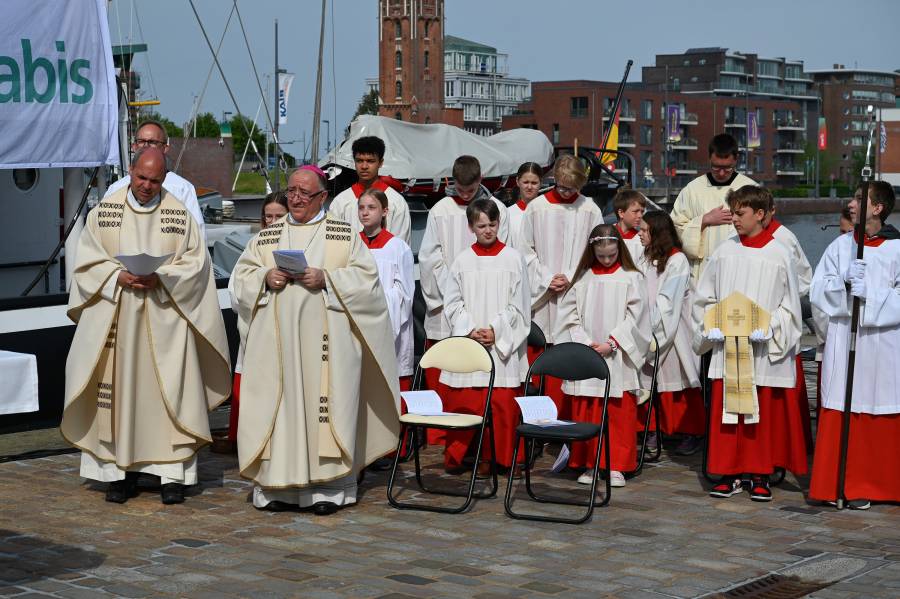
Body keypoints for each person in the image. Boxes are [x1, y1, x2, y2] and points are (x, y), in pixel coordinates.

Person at [61, 148, 231, 505]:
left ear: (164, 179)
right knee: (120, 395)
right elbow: (85, 263)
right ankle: (119, 474)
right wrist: (117, 275)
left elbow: (197, 267)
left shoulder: (179, 216)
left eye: (154, 181)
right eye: (141, 178)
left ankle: (171, 475)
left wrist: (163, 276)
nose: (146, 186)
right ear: (131, 171)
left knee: (168, 397)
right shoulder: (104, 214)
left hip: (166, 321)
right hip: (117, 319)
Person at [230, 164, 400, 515]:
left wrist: (327, 279)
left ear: (322, 196)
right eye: (291, 190)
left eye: (304, 193)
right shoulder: (266, 236)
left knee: (324, 408)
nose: (295, 198)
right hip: (276, 349)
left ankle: (328, 489)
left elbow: (368, 285)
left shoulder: (342, 234)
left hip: (328, 348)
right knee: (281, 410)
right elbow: (240, 280)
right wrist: (265, 277)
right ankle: (277, 485)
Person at [692, 185, 806, 502]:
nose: (734, 220)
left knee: (760, 412)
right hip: (727, 347)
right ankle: (728, 472)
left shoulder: (780, 254)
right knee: (728, 411)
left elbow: (790, 308)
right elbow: (704, 299)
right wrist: (710, 327)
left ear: (759, 214)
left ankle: (759, 474)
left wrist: (770, 327)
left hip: (762, 351)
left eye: (740, 214)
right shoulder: (724, 253)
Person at [809, 181, 900, 510]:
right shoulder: (840, 246)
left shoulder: (898, 248)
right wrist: (844, 282)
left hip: (883, 343)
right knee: (843, 400)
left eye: (861, 199)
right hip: (846, 338)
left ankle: (883, 484)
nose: (851, 204)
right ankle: (839, 483)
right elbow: (817, 289)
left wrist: (871, 296)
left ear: (878, 208)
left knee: (881, 402)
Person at [556, 224, 649, 488]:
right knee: (588, 411)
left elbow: (638, 318)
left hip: (617, 355)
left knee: (618, 413)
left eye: (611, 255)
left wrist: (613, 342)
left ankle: (616, 465)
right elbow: (568, 317)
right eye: (601, 256)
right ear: (592, 252)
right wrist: (585, 343)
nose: (607, 260)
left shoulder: (632, 277)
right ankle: (589, 462)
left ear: (619, 249)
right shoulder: (583, 279)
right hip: (588, 354)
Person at [442, 199, 530, 475]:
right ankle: (466, 456)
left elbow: (521, 304)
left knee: (503, 405)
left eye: (492, 224)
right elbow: (452, 303)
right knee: (466, 402)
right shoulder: (462, 260)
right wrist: (470, 329)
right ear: (471, 227)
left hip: (501, 347)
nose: (488, 230)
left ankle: (504, 458)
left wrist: (496, 330)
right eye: (481, 226)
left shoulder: (514, 259)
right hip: (471, 342)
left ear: (499, 224)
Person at [419, 155, 509, 401]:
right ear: (452, 181)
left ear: (481, 180)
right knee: (444, 374)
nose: (466, 195)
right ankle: (439, 437)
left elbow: (504, 254)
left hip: (486, 303)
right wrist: (454, 290)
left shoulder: (495, 209)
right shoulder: (441, 210)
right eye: (460, 189)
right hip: (447, 302)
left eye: (470, 190)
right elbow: (430, 258)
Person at [521, 154, 604, 418]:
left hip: (576, 289)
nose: (567, 193)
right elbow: (524, 250)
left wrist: (570, 275)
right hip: (544, 294)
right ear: (554, 180)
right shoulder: (537, 207)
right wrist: (547, 278)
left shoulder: (590, 209)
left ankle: (569, 417)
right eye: (562, 187)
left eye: (572, 188)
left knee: (571, 349)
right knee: (543, 350)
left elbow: (597, 250)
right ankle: (539, 418)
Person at [222, 192, 289, 452]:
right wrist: (263, 280)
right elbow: (236, 286)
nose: (272, 222)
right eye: (268, 216)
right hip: (259, 326)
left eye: (278, 216)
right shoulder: (255, 246)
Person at [637, 211, 704, 455]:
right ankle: (652, 429)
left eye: (645, 230)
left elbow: (668, 301)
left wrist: (652, 327)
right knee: (648, 382)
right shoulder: (645, 257)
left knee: (677, 381)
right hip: (647, 327)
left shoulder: (677, 260)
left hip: (673, 331)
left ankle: (689, 431)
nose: (640, 234)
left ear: (658, 233)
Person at [670, 133, 756, 280]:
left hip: (740, 269)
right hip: (702, 271)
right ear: (710, 158)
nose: (721, 173)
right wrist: (704, 220)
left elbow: (762, 228)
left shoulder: (750, 188)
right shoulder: (693, 189)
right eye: (716, 167)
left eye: (727, 168)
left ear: (736, 160)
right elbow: (675, 226)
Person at [105, 120, 206, 239]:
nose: (146, 146)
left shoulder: (182, 189)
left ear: (165, 148)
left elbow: (197, 236)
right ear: (134, 146)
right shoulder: (116, 189)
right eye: (141, 141)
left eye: (153, 142)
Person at [358, 189, 414, 391]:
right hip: (358, 323)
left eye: (371, 207)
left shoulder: (398, 247)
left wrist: (376, 301)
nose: (365, 212)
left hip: (391, 325)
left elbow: (405, 294)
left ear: (384, 211)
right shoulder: (352, 245)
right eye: (361, 208)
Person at [328, 135, 411, 244]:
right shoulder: (340, 202)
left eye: (370, 161)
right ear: (354, 162)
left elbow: (401, 247)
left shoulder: (396, 202)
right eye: (359, 160)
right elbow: (333, 244)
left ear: (380, 163)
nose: (364, 166)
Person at [507, 162, 543, 249]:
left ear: (541, 183)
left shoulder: (547, 212)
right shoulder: (507, 213)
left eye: (534, 183)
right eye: (526, 182)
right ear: (517, 181)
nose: (529, 187)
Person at [613, 188, 647, 263]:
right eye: (635, 211)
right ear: (621, 213)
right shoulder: (607, 234)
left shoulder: (641, 240)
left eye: (642, 212)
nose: (640, 215)